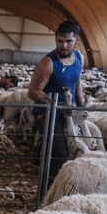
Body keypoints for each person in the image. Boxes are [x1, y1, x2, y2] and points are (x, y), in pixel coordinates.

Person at [27, 20, 86, 188]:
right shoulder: (48, 63)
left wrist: (81, 106)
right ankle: (49, 189)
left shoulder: (79, 58)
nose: (64, 46)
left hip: (69, 111)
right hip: (47, 112)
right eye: (60, 41)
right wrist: (56, 105)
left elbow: (77, 82)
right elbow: (33, 91)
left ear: (76, 40)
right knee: (59, 152)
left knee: (80, 147)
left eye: (68, 41)